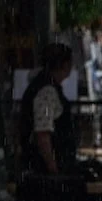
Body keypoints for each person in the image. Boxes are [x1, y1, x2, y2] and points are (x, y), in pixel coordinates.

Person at [19, 43, 76, 175]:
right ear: (65, 65)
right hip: (44, 171)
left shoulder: (44, 86)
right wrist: (53, 169)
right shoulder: (47, 91)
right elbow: (43, 133)